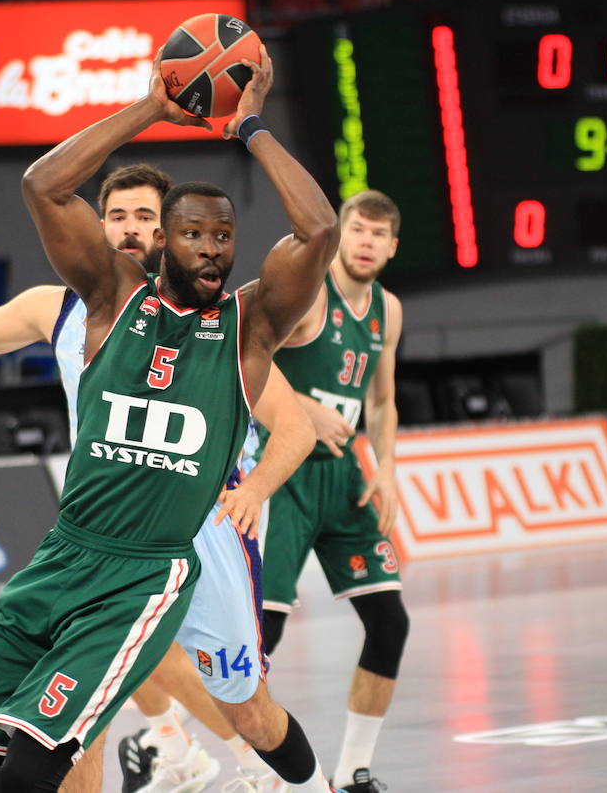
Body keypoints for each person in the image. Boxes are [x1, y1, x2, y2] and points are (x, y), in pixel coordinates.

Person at [0, 47, 341, 792]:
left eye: (223, 237)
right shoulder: (110, 300)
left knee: (245, 710)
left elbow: (318, 232)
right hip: (67, 554)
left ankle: (308, 784)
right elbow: (43, 185)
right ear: (160, 242)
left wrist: (250, 127)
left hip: (154, 564)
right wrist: (152, 106)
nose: (211, 249)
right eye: (194, 234)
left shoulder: (248, 328)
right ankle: (178, 749)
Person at [0, 165, 315, 792]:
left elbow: (295, 425)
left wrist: (254, 489)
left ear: (168, 233)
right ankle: (179, 749)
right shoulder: (62, 306)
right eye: (116, 216)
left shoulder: (225, 327)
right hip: (99, 519)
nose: (129, 229)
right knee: (84, 707)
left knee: (239, 697)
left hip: (202, 525)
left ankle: (254, 765)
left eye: (145, 216)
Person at [258, 190, 408, 793]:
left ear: (392, 247)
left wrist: (387, 467)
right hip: (284, 475)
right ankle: (229, 761)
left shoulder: (388, 310)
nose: (366, 242)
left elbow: (382, 400)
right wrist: (302, 409)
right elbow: (244, 360)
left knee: (390, 623)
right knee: (259, 638)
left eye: (378, 234)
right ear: (340, 235)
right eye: (357, 230)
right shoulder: (310, 292)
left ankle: (353, 772)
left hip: (344, 478)